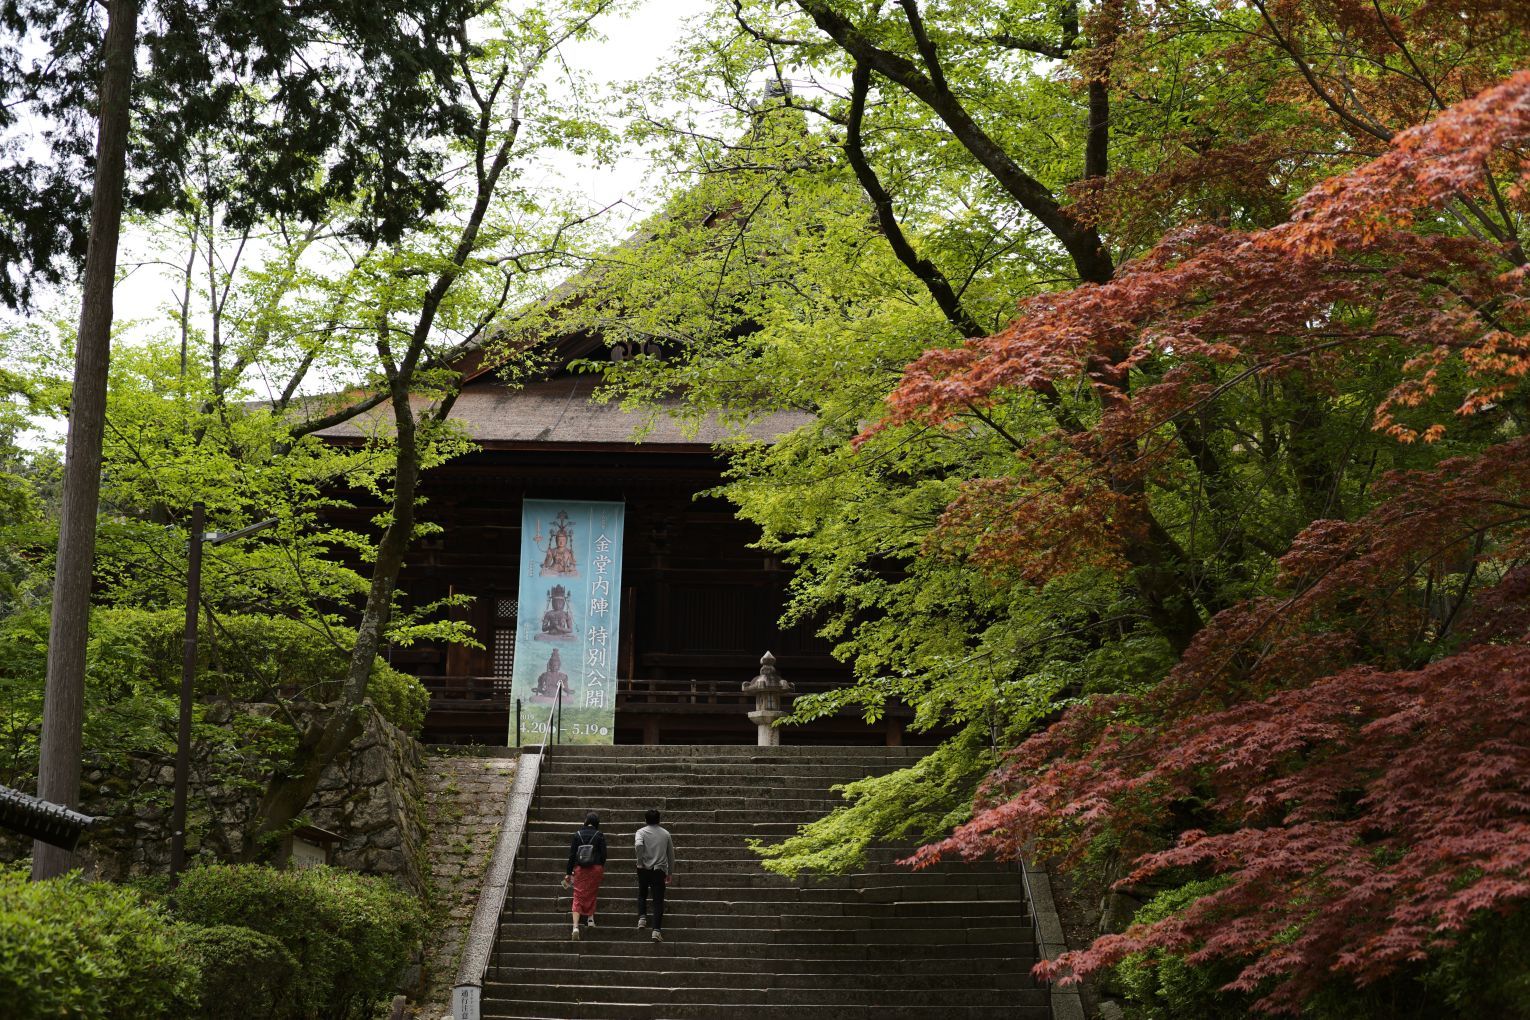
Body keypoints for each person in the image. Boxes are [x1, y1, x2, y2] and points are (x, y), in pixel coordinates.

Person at [562, 812, 607, 940]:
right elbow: (604, 854)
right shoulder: (599, 835)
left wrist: (568, 872)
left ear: (586, 821)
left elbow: (572, 855)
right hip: (595, 868)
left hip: (580, 869)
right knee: (592, 892)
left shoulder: (578, 834)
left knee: (578, 895)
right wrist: (599, 865)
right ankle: (590, 919)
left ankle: (575, 927)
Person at [634, 807, 675, 943]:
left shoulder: (640, 832)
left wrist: (640, 861)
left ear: (646, 820)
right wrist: (670, 872)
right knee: (658, 901)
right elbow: (671, 856)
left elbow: (639, 845)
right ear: (659, 820)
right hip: (659, 870)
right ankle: (656, 931)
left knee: (642, 893)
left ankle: (642, 918)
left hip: (644, 868)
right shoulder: (666, 834)